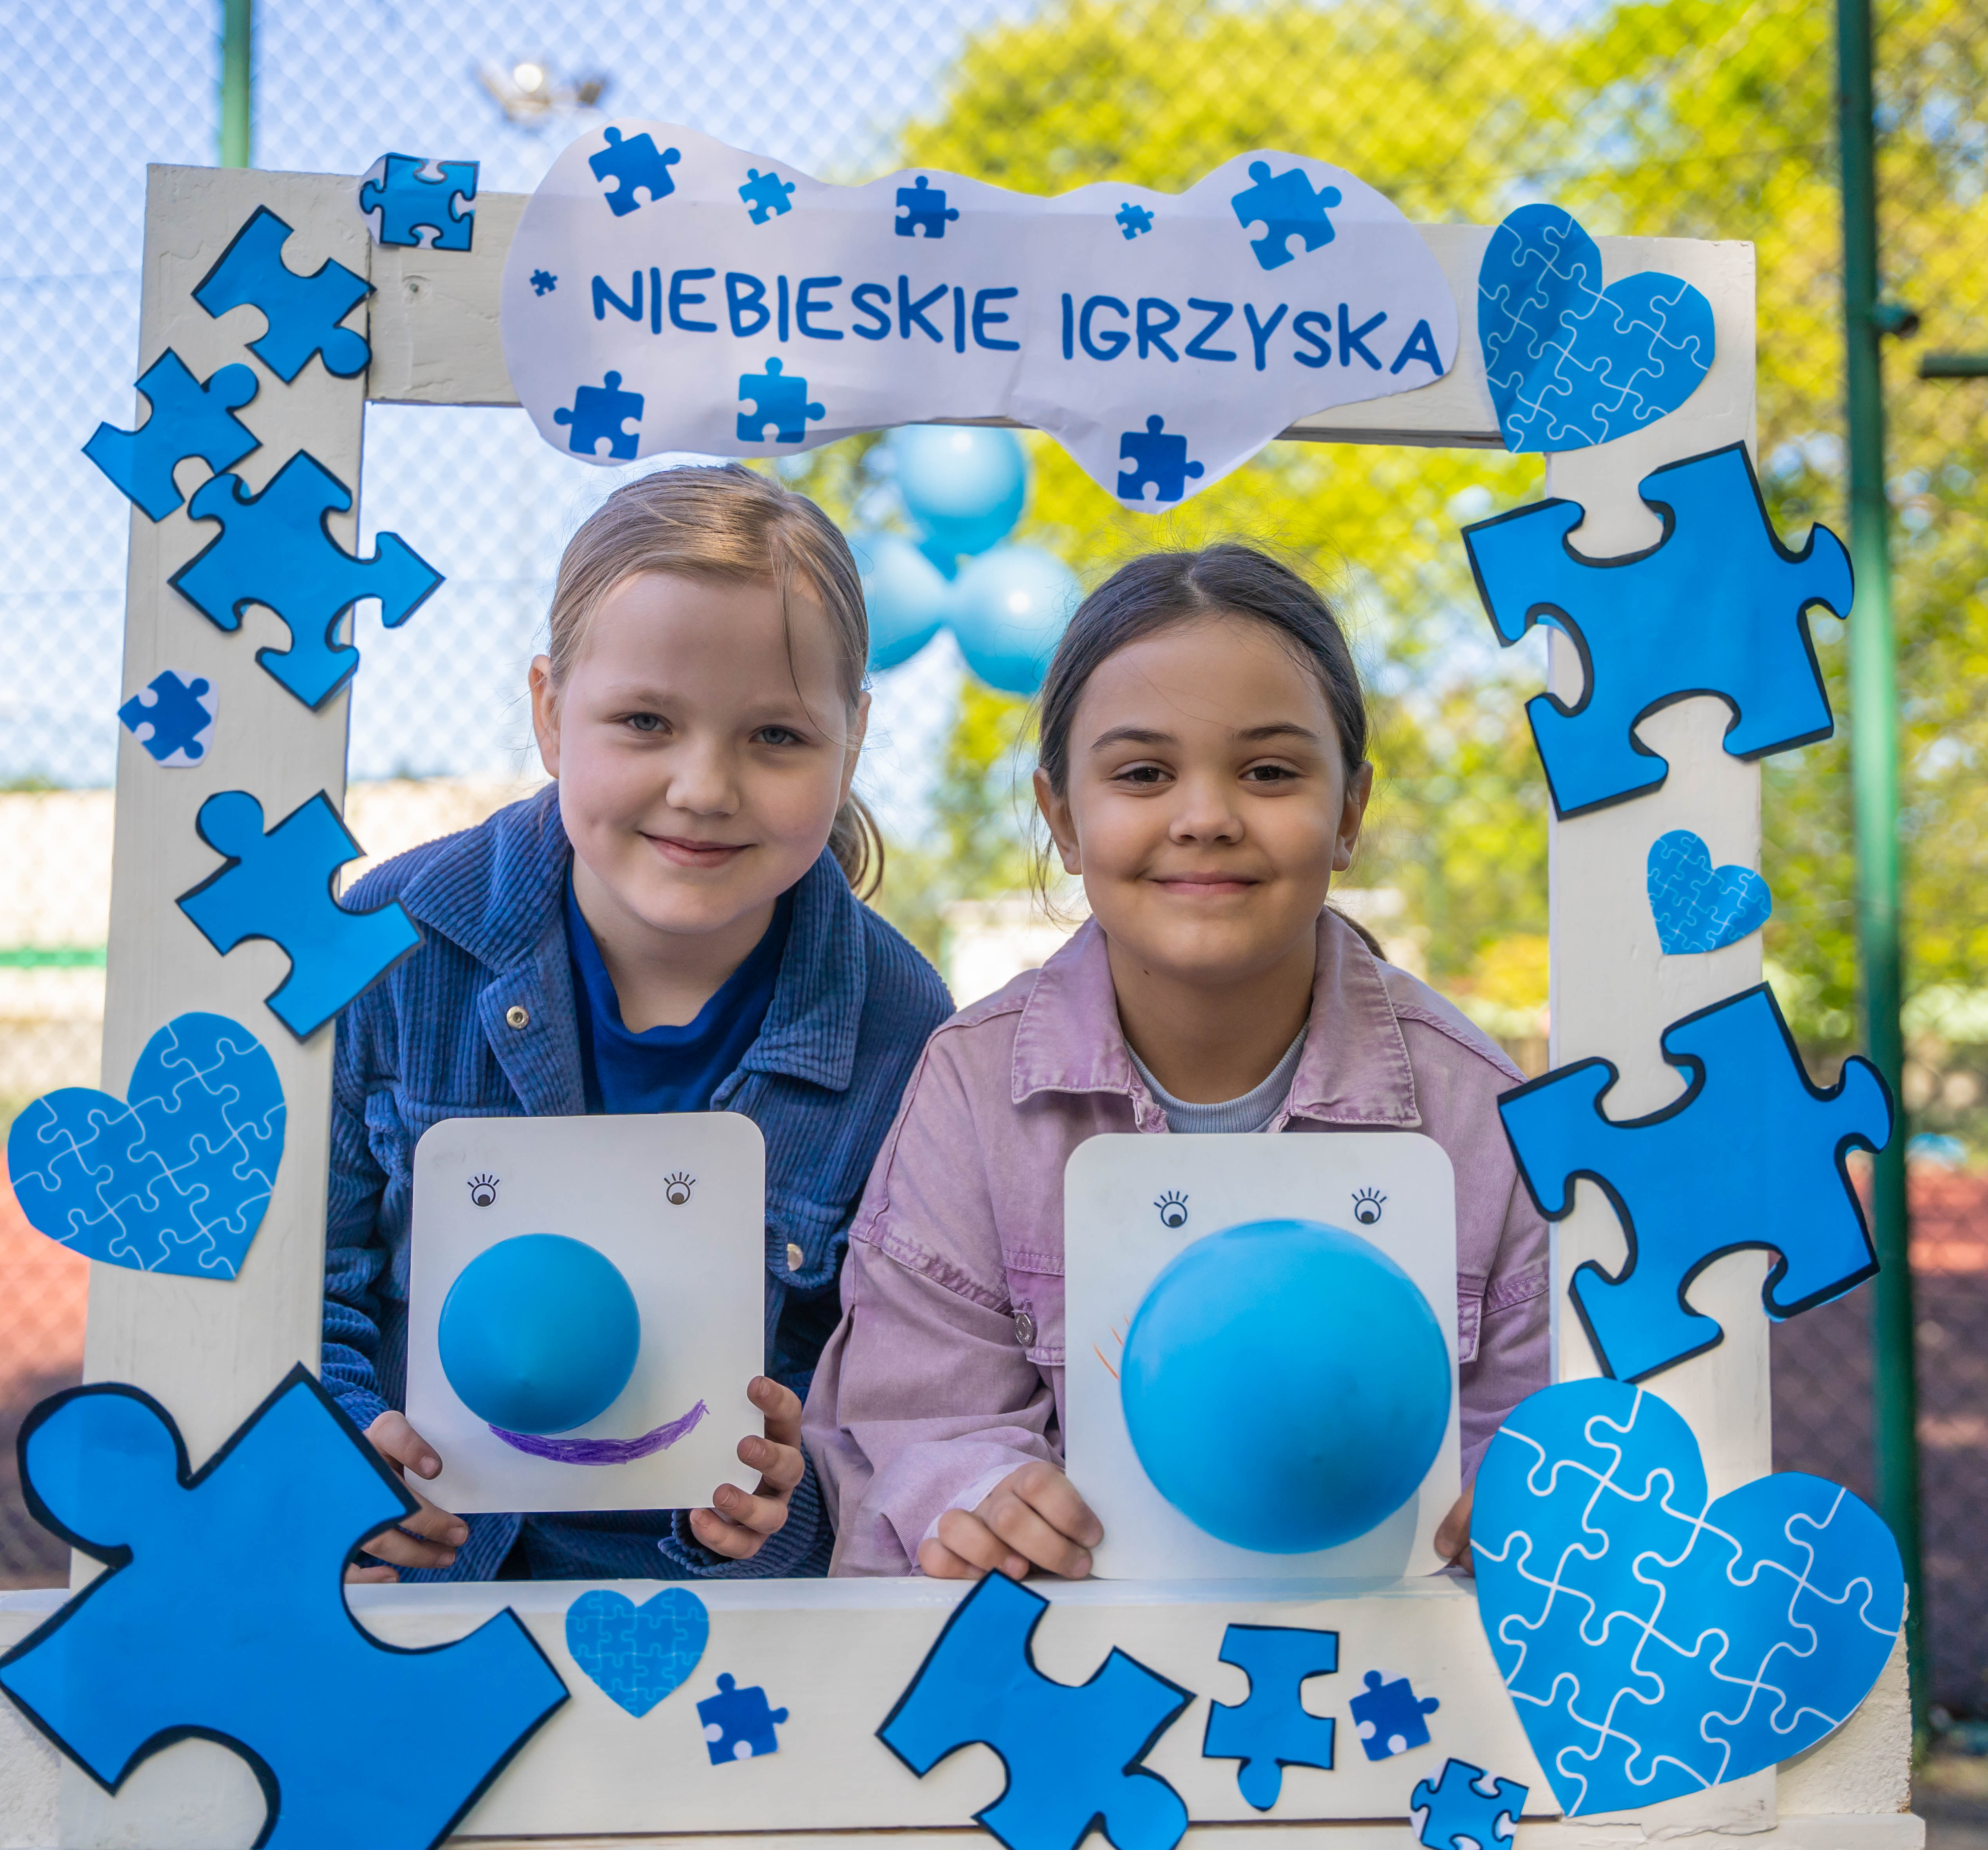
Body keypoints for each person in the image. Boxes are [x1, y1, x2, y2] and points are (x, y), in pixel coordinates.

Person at [805, 543, 1549, 1579]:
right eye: (1144, 774)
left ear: (1349, 813)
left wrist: (1516, 1505)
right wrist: (980, 1496)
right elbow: (919, 1420)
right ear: (1063, 818)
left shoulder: (1482, 1115)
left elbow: (1532, 1442)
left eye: (1270, 772)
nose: (1205, 819)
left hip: (1390, 1663)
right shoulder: (974, 1095)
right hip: (1077, 1658)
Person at [324, 464, 951, 1581]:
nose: (705, 787)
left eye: (776, 737)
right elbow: (295, 1291)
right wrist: (336, 1454)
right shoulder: (386, 952)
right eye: (646, 721)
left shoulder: (905, 1031)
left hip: (727, 1634)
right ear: (550, 713)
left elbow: (884, 1402)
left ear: (852, 739)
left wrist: (792, 1501)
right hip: (417, 1610)